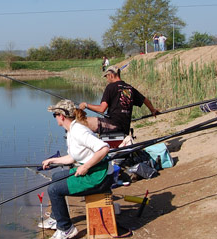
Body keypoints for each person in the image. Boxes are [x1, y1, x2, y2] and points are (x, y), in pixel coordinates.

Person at [38, 99, 112, 239]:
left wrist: (85, 166)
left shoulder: (78, 131)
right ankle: (56, 218)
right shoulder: (72, 130)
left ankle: (66, 229)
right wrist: (52, 160)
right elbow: (72, 158)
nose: (55, 118)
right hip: (93, 172)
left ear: (62, 116)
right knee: (56, 177)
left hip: (99, 177)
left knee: (54, 190)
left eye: (55, 115)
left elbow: (104, 148)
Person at [79, 66, 158, 135]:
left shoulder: (110, 87)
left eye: (107, 76)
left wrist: (86, 105)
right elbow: (145, 100)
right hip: (125, 128)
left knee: (80, 122)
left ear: (112, 75)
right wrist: (153, 110)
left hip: (112, 125)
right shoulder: (129, 88)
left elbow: (102, 109)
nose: (107, 79)